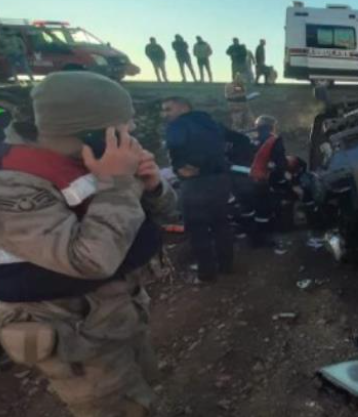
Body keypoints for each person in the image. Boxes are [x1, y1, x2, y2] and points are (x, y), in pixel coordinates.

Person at [0, 71, 177, 417]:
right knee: (117, 406)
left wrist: (153, 185)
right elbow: (90, 260)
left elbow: (165, 213)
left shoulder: (92, 156)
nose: (132, 132)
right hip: (76, 336)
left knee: (144, 390)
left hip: (117, 315)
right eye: (124, 125)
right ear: (92, 131)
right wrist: (120, 181)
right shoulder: (12, 184)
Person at [161, 97, 248, 282]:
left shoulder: (178, 125)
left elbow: (174, 146)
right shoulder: (211, 123)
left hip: (195, 183)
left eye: (168, 109)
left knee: (197, 227)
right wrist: (226, 161)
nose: (165, 114)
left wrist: (179, 166)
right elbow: (241, 139)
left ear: (184, 107)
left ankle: (206, 273)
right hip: (220, 181)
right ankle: (226, 265)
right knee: (220, 223)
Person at [248, 115, 298, 249]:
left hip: (250, 179)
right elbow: (280, 164)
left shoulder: (251, 139)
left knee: (258, 210)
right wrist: (285, 182)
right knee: (272, 209)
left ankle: (257, 239)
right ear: (271, 126)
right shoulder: (274, 140)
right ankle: (271, 239)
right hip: (266, 180)